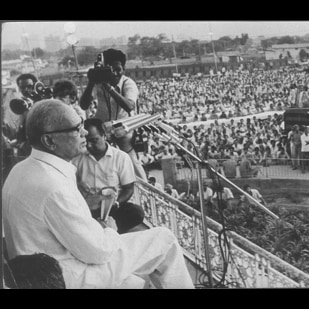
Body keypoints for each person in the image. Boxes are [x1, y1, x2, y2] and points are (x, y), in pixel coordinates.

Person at [2, 99, 194, 288]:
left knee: (133, 282)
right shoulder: (52, 185)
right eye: (77, 129)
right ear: (49, 140)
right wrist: (110, 229)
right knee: (164, 240)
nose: (84, 132)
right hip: (66, 276)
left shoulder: (20, 170)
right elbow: (97, 252)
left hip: (40, 271)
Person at [79, 48, 147, 181]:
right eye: (111, 70)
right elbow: (84, 105)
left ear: (124, 68)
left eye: (118, 69)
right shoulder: (98, 83)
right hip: (102, 127)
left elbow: (129, 106)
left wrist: (109, 88)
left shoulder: (128, 83)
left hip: (123, 127)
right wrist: (92, 81)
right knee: (95, 157)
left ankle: (146, 187)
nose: (115, 73)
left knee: (131, 160)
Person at [72, 118, 143, 233]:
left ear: (104, 136)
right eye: (86, 141)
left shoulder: (121, 157)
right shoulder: (77, 159)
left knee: (136, 212)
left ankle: (112, 231)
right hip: (87, 207)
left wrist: (116, 203)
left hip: (112, 207)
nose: (89, 145)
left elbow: (128, 189)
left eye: (94, 140)